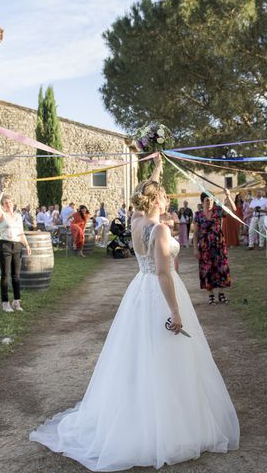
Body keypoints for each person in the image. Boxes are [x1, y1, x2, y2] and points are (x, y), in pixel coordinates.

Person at [29, 159, 240, 470]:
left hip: (139, 290)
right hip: (159, 292)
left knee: (138, 355)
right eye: (164, 196)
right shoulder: (159, 230)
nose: (168, 199)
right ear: (156, 200)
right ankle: (168, 424)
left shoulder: (136, 222)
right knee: (168, 353)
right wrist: (175, 312)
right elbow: (165, 275)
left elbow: (143, 195)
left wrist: (155, 167)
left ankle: (138, 411)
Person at [193, 189, 234, 305]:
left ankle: (221, 293)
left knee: (222, 268)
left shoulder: (218, 211)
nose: (209, 202)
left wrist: (228, 196)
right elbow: (195, 233)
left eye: (211, 200)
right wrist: (195, 249)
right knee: (207, 270)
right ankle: (211, 295)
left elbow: (232, 210)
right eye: (207, 200)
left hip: (219, 245)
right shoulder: (198, 215)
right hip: (205, 247)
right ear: (202, 202)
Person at [0, 191, 31, 313]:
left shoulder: (18, 216)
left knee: (16, 275)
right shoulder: (2, 215)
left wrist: (26, 245)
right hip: (5, 245)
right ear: (3, 205)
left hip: (17, 246)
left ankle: (16, 301)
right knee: (5, 275)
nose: (8, 204)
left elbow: (21, 233)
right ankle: (5, 303)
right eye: (6, 203)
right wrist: (2, 192)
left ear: (13, 203)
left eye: (10, 202)